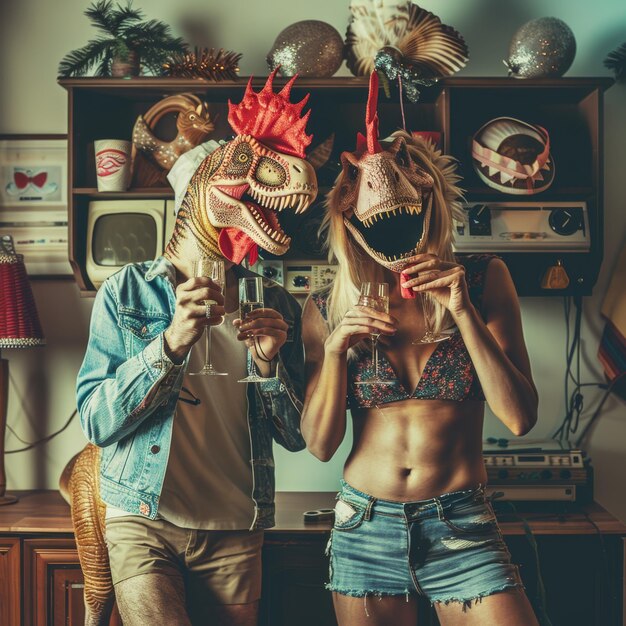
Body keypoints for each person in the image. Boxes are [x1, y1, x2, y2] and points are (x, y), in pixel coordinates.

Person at [75, 73, 316, 626]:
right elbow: (95, 421)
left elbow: (297, 436)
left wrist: (267, 363)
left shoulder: (276, 301)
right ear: (202, 194)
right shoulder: (126, 292)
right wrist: (170, 342)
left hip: (236, 525)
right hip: (142, 517)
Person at [300, 73, 539, 626]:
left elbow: (520, 417)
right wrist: (335, 351)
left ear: (426, 203)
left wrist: (462, 310)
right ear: (350, 219)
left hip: (462, 524)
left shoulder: (482, 281)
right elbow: (319, 444)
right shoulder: (325, 307)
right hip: (365, 524)